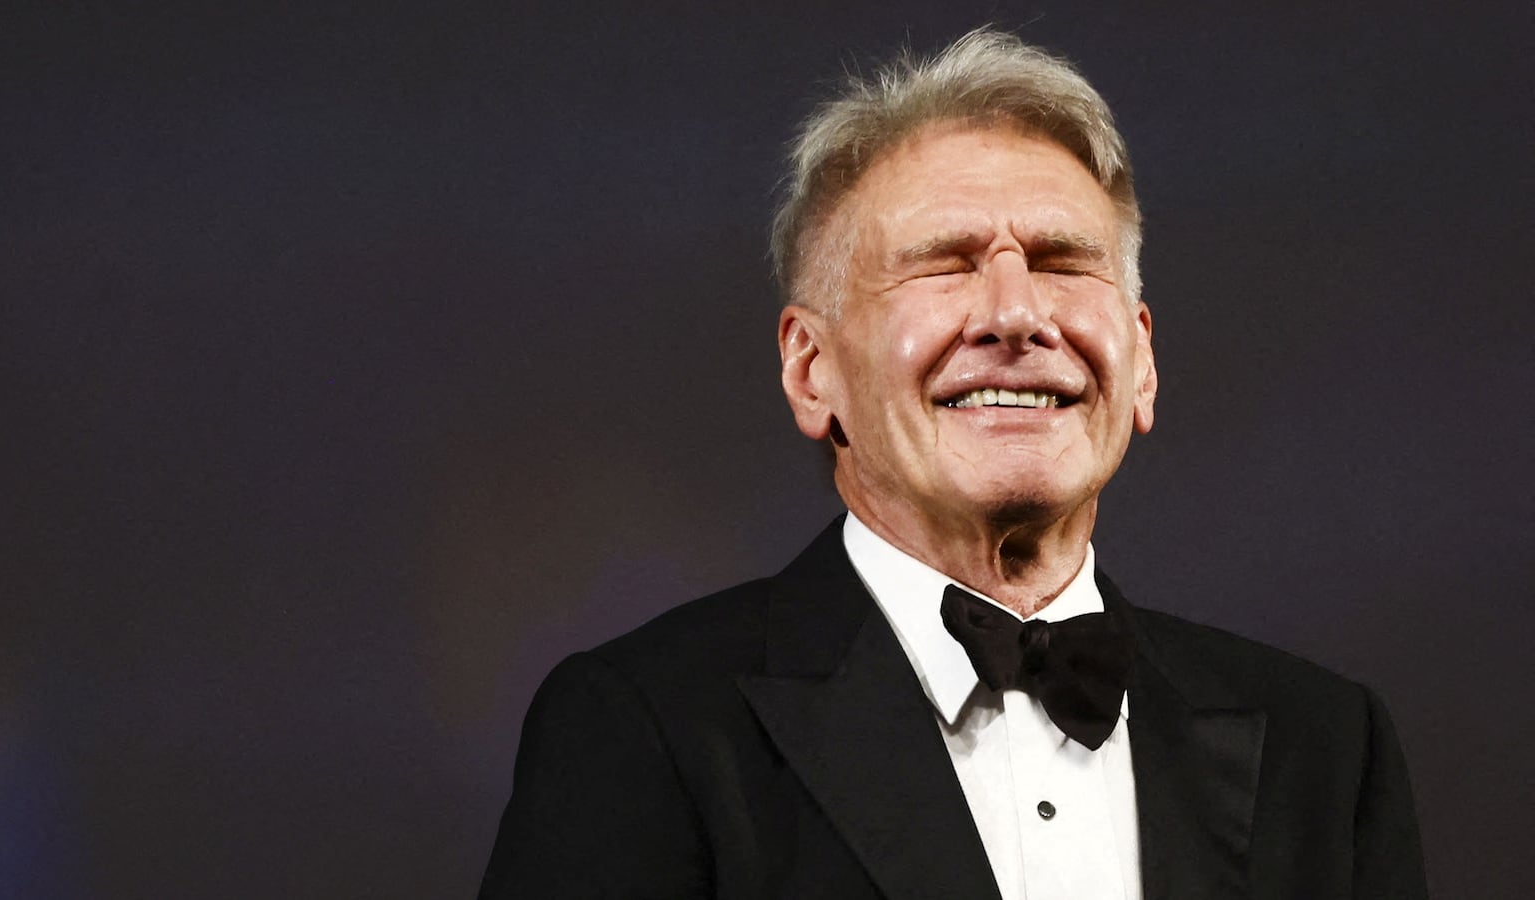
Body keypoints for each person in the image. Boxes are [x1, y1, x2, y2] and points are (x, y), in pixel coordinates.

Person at [480, 27, 1426, 900]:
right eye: (945, 264)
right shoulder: (644, 730)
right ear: (812, 372)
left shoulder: (1328, 748)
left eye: (1061, 260)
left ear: (1140, 363)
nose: (1016, 314)